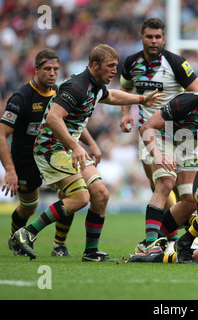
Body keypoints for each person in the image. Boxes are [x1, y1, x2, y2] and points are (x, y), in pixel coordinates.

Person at [12, 44, 164, 261]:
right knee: (81, 197)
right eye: (110, 66)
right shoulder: (76, 86)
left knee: (100, 194)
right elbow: (53, 118)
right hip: (51, 149)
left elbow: (110, 96)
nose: (114, 70)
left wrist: (142, 99)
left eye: (115, 66)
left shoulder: (95, 85)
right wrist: (76, 147)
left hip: (67, 148)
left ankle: (91, 252)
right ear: (95, 65)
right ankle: (27, 233)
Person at [130, 76, 198, 261]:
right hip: (162, 140)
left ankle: (155, 240)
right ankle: (151, 245)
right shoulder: (186, 102)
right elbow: (147, 127)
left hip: (188, 148)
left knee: (191, 200)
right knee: (166, 183)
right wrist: (158, 155)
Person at [119, 18, 198, 250]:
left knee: (177, 190)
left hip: (179, 136)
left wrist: (177, 114)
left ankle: (167, 239)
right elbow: (125, 89)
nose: (154, 41)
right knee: (160, 185)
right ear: (142, 37)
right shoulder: (130, 63)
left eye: (158, 37)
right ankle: (169, 238)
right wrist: (126, 113)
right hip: (150, 134)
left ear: (164, 38)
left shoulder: (176, 63)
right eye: (149, 36)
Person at [0, 48, 85, 257]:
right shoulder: (21, 97)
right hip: (25, 158)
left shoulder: (61, 94)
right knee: (29, 206)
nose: (52, 73)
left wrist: (91, 144)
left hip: (51, 153)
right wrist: (10, 170)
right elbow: (0, 134)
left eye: (55, 69)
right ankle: (17, 241)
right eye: (47, 69)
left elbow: (70, 123)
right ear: (36, 69)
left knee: (71, 194)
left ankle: (59, 246)